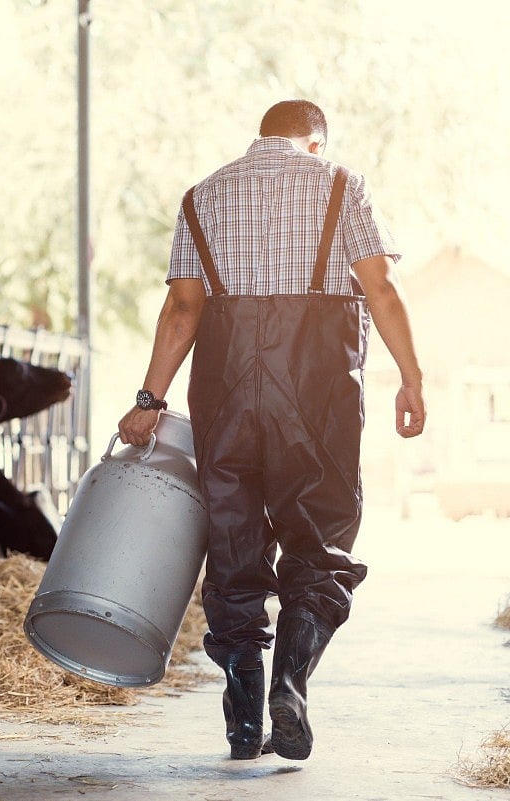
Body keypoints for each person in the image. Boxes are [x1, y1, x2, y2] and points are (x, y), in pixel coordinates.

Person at [117, 99, 426, 761]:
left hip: (225, 390)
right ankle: (290, 680)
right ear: (316, 142)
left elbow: (182, 307)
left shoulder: (203, 196)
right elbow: (382, 289)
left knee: (233, 542)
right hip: (317, 391)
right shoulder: (343, 184)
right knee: (320, 538)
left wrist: (150, 398)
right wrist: (412, 377)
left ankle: (242, 714)